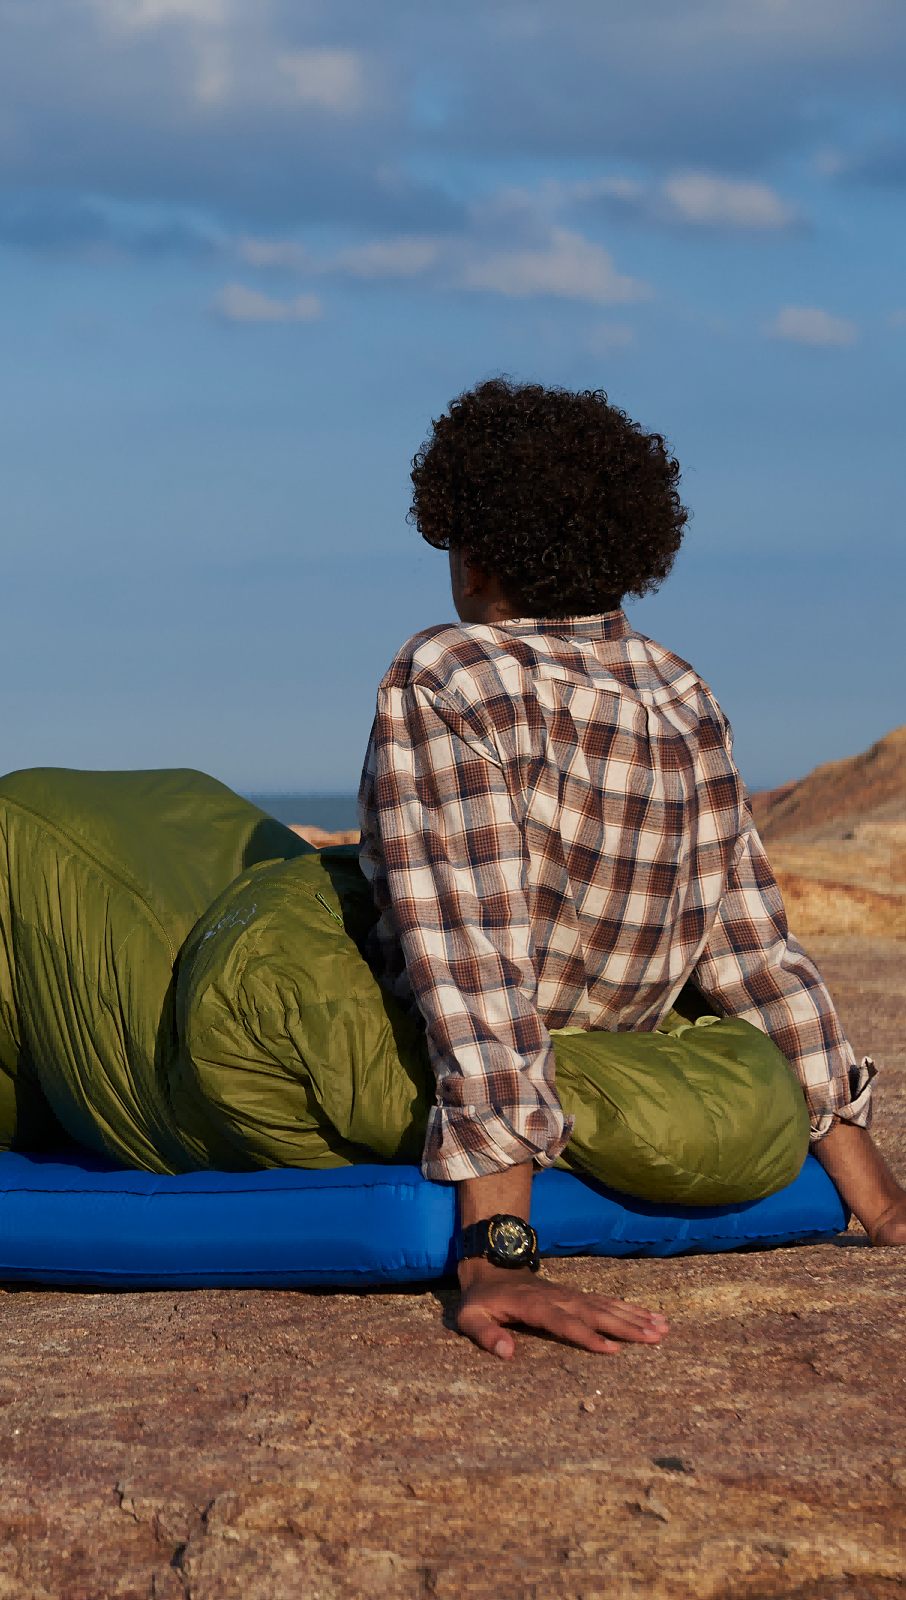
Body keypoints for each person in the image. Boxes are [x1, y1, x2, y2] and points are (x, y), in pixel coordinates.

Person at [358, 377, 906, 1362]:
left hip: (482, 1050)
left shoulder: (450, 672)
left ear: (473, 560)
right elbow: (751, 941)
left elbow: (470, 958)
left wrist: (497, 1248)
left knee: (278, 892)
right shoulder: (679, 686)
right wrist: (871, 1189)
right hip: (621, 1038)